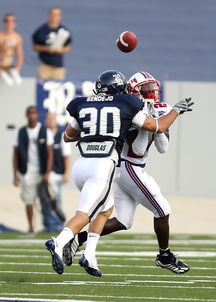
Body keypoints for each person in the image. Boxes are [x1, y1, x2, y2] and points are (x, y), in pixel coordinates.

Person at [45, 70, 193, 277]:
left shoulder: (139, 106)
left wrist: (160, 124)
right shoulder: (129, 105)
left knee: (123, 220)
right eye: (146, 89)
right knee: (162, 209)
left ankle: (79, 241)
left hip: (112, 167)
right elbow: (151, 132)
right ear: (131, 90)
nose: (151, 93)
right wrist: (169, 116)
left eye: (152, 88)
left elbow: (162, 146)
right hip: (128, 166)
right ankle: (164, 256)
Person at [13, 106, 54, 233]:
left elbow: (50, 154)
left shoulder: (44, 131)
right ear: (26, 115)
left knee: (48, 197)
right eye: (30, 113)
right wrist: (15, 174)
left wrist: (47, 172)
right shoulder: (20, 132)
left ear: (37, 115)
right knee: (29, 199)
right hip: (27, 171)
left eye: (34, 113)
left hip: (42, 170)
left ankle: (49, 225)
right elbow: (15, 154)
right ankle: (31, 226)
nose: (32, 115)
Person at [40, 112, 71, 231]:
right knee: (44, 200)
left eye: (53, 118)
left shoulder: (61, 136)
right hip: (44, 174)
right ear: (45, 121)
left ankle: (58, 225)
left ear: (56, 121)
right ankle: (48, 225)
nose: (50, 121)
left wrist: (67, 173)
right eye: (48, 119)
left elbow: (67, 156)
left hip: (57, 173)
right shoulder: (42, 135)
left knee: (56, 199)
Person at [32, 7, 72, 80]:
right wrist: (46, 49)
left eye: (57, 15)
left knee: (58, 89)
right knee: (42, 88)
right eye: (53, 14)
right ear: (49, 15)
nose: (54, 17)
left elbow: (67, 48)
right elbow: (35, 47)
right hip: (44, 66)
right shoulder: (41, 30)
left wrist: (60, 50)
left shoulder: (64, 31)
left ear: (60, 16)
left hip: (58, 67)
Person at [0, 13, 23, 85]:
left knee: (18, 83)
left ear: (15, 23)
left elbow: (20, 55)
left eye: (12, 21)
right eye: (7, 21)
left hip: (10, 66)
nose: (9, 23)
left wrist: (17, 69)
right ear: (4, 23)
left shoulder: (17, 37)